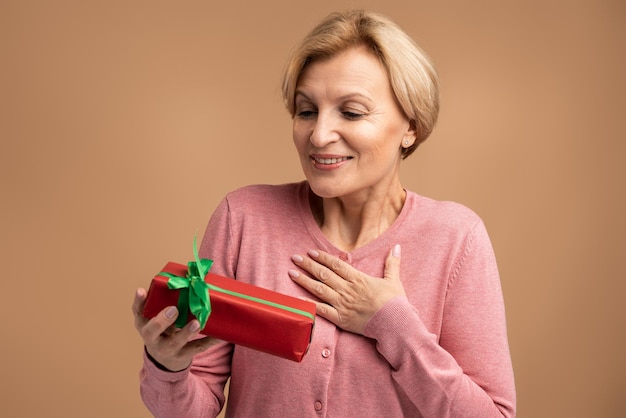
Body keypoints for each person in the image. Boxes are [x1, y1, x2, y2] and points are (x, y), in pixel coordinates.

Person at [132, 9, 516, 418]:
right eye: (306, 110)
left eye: (351, 112)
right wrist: (167, 366)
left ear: (411, 126)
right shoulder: (243, 218)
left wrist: (393, 324)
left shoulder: (456, 238)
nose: (318, 136)